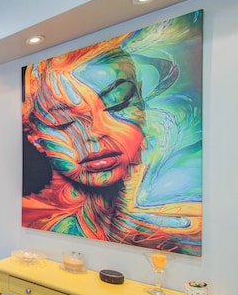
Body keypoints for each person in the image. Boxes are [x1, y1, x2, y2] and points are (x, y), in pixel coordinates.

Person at [21, 20, 202, 255]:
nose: (96, 132)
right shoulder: (38, 222)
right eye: (64, 121)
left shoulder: (182, 227)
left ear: (141, 107)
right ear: (35, 136)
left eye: (119, 102)